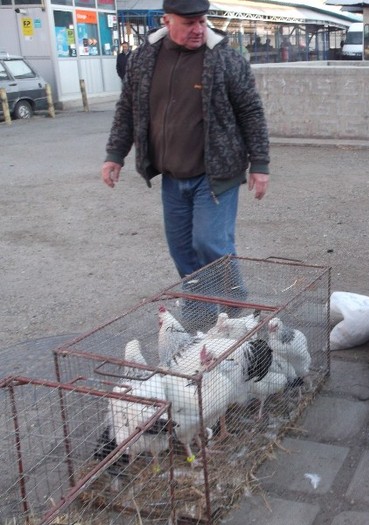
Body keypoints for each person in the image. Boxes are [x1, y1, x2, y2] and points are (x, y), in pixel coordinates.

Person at [101, 0, 270, 324]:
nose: (198, 29)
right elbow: (127, 108)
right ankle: (201, 315)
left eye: (202, 21)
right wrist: (114, 155)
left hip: (216, 174)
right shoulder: (145, 58)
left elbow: (251, 111)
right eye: (189, 22)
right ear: (167, 20)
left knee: (210, 242)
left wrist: (260, 165)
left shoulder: (225, 58)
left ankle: (235, 310)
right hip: (173, 176)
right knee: (182, 250)